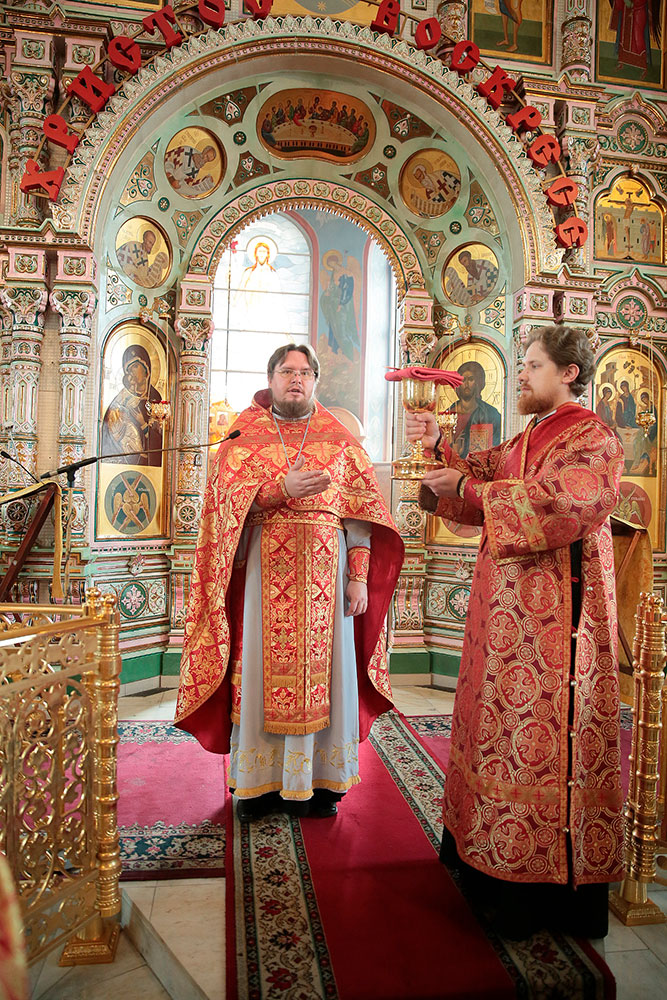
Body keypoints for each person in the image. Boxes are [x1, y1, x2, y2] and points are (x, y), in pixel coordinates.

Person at [406, 325, 624, 939]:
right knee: (494, 728)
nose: (521, 375)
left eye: (531, 365)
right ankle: (485, 862)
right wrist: (438, 449)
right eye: (522, 365)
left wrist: (470, 487)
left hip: (556, 624)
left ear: (569, 373)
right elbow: (476, 480)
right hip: (503, 619)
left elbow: (565, 504)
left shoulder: (592, 437)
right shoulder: (529, 435)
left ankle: (535, 893)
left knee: (536, 736)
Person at [175, 344, 403, 820]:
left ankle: (320, 784)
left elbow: (360, 517)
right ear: (271, 378)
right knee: (259, 678)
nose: (296, 379)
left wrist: (358, 578)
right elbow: (221, 508)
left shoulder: (340, 441)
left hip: (327, 586)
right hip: (262, 583)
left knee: (328, 678)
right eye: (286, 371)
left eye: (304, 372)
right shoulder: (242, 437)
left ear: (316, 380)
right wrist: (278, 491)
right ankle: (257, 787)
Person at [101, 344, 163, 466]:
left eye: (135, 366)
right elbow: (108, 432)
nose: (132, 372)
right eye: (129, 370)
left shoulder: (156, 399)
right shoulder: (121, 399)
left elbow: (160, 438)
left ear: (146, 368)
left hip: (149, 464)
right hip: (123, 460)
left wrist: (143, 424)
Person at [446, 360, 501, 458]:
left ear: (477, 383)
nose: (466, 384)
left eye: (471, 379)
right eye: (463, 380)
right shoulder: (447, 415)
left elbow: (496, 447)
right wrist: (453, 451)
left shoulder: (490, 413)